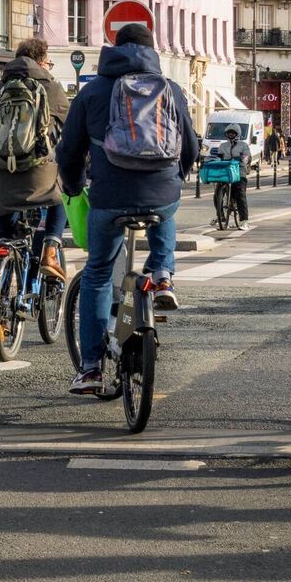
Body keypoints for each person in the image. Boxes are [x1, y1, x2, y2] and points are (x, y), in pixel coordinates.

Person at [56, 23, 199, 394]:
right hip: (160, 192)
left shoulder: (93, 91)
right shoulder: (171, 88)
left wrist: (72, 187)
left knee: (99, 273)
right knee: (166, 209)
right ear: (152, 51)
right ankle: (163, 273)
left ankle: (91, 368)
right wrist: (175, 176)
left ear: (113, 48)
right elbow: (192, 146)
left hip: (108, 198)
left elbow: (68, 150)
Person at [0, 38, 70, 281]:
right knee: (62, 196)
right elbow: (71, 133)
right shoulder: (51, 86)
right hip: (40, 176)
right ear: (41, 61)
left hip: (1, 176)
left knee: (5, 232)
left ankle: (3, 283)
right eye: (48, 62)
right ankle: (50, 248)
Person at [211, 125, 252, 230]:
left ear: (237, 134)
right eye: (229, 133)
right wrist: (212, 160)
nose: (231, 134)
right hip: (225, 172)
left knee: (240, 193)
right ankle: (221, 216)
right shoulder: (223, 146)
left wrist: (241, 159)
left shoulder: (243, 145)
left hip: (239, 172)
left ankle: (244, 220)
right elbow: (218, 157)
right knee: (217, 194)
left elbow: (246, 158)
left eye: (233, 133)